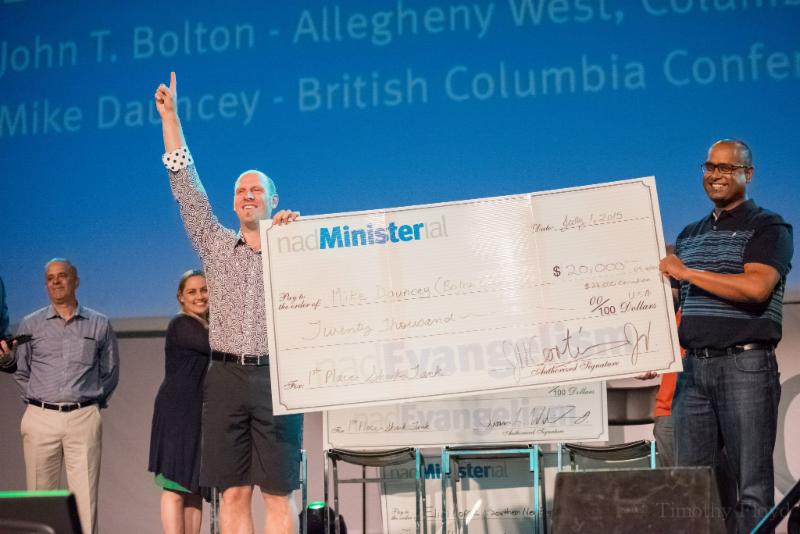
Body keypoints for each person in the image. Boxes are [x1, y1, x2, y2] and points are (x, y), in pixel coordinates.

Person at [155, 72, 304, 534]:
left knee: (278, 493)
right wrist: (172, 120)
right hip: (224, 380)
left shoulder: (293, 248)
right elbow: (186, 188)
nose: (247, 195)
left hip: (276, 380)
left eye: (256, 190)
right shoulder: (216, 245)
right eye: (240, 191)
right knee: (233, 493)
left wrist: (293, 237)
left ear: (274, 199)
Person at [660, 139, 793, 533]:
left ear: (747, 174)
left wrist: (687, 272)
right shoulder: (689, 234)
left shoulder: (768, 226)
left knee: (751, 489)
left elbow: (756, 288)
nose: (715, 175)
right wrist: (649, 344)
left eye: (726, 168)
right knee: (692, 488)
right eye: (709, 167)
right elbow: (676, 300)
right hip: (692, 371)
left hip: (745, 366)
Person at [0, 258, 120, 534]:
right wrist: (38, 402)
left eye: (62, 276)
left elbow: (110, 371)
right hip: (40, 417)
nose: (55, 282)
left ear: (75, 281)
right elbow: (21, 371)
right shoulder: (31, 324)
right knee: (39, 499)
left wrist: (89, 404)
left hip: (83, 416)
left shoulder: (99, 323)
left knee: (85, 500)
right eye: (50, 278)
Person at [149, 270, 211, 534]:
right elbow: (214, 345)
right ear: (181, 297)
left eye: (204, 290)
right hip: (177, 413)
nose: (199, 296)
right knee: (175, 485)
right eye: (192, 292)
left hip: (198, 413)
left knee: (194, 487)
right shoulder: (181, 324)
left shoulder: (209, 324)